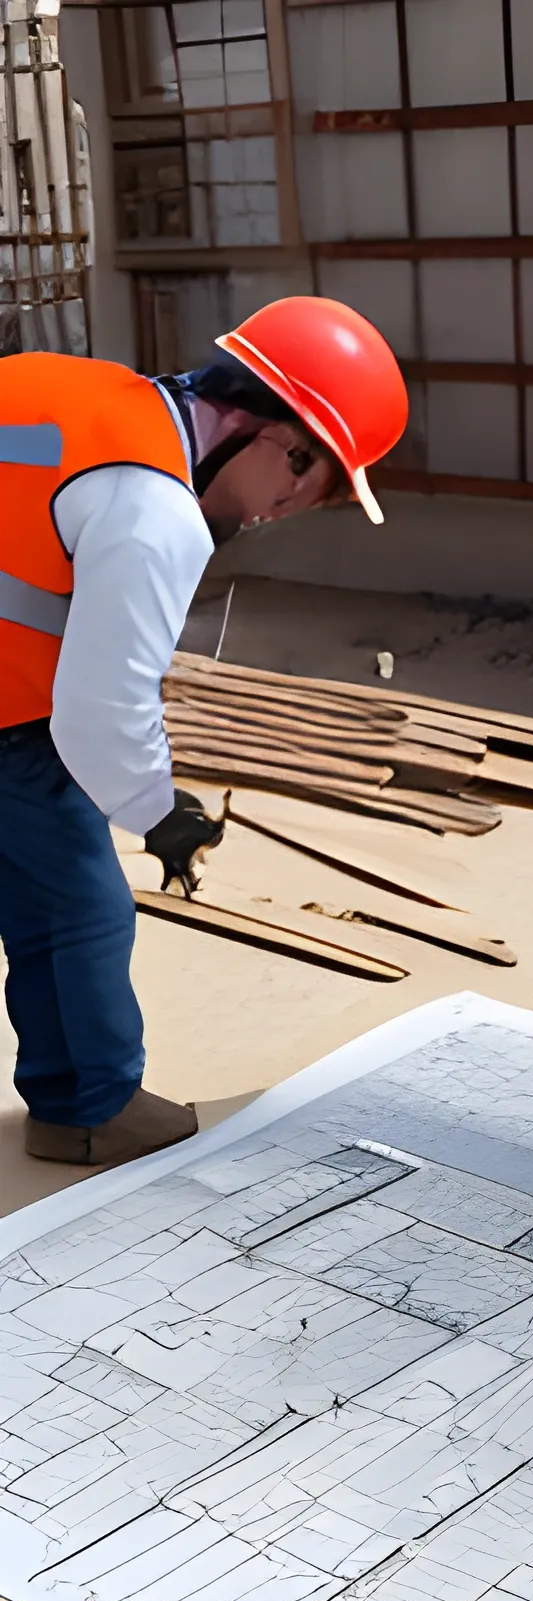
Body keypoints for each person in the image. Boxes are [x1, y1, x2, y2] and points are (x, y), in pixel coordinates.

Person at [0, 296, 408, 1167]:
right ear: (278, 439)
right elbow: (102, 707)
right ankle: (89, 1108)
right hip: (9, 721)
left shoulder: (70, 392)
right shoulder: (155, 510)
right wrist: (158, 810)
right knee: (77, 912)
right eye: (309, 485)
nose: (282, 510)